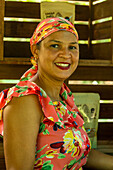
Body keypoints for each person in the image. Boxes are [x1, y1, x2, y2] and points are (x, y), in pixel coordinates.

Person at [0, 17, 113, 170]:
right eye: (55, 45)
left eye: (72, 47)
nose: (66, 54)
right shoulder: (25, 101)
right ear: (36, 51)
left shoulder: (63, 98)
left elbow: (82, 154)